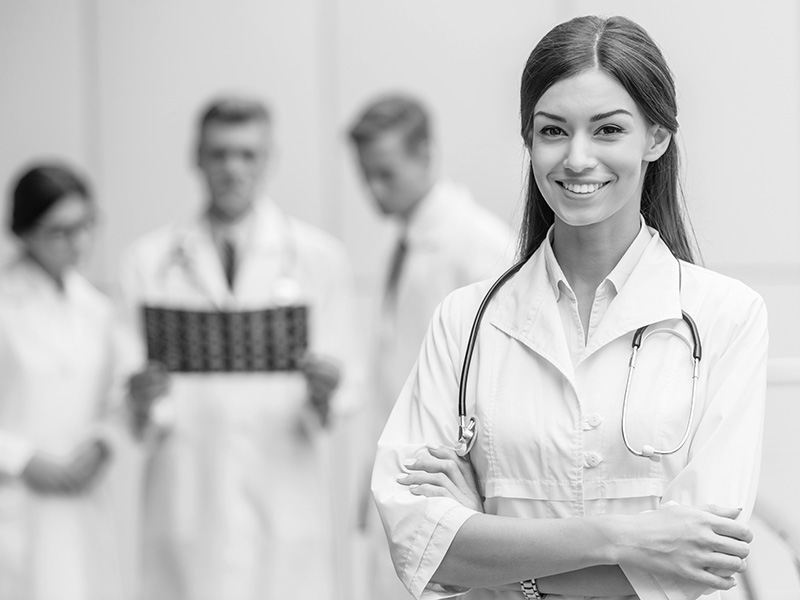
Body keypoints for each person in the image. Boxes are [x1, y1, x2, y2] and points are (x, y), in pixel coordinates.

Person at [372, 15, 767, 600]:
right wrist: (625, 540)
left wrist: (495, 553)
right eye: (553, 131)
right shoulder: (465, 320)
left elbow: (702, 561)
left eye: (608, 130)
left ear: (656, 138)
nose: (577, 158)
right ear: (528, 139)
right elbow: (418, 544)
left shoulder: (727, 317)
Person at [118, 96, 361, 600]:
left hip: (284, 495)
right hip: (187, 498)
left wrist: (326, 390)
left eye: (247, 154)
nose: (232, 168)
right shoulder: (147, 262)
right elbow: (126, 395)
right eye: (220, 153)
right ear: (197, 157)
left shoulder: (319, 259)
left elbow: (346, 387)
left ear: (269, 160)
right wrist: (141, 397)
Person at [348, 94, 515, 598]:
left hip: (448, 486)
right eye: (366, 175)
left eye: (386, 173)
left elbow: (500, 383)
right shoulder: (405, 244)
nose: (374, 189)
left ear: (425, 155)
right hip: (406, 473)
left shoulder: (479, 246)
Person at [0, 163, 133, 600]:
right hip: (15, 497)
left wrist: (103, 444)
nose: (78, 243)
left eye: (85, 225)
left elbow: (119, 398)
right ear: (22, 231)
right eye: (58, 231)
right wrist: (21, 459)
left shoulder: (97, 308)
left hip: (83, 496)